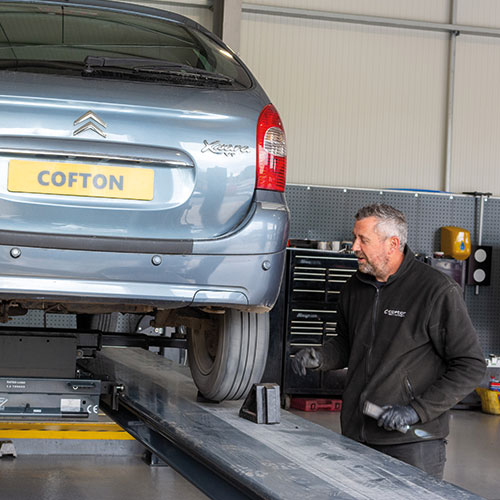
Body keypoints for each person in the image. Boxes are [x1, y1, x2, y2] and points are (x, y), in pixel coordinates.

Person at [291, 203, 486, 479]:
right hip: (356, 436)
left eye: (363, 240)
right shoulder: (353, 288)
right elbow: (346, 344)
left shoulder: (435, 291)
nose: (354, 247)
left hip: (411, 442)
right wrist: (320, 356)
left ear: (392, 244)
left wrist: (416, 411)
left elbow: (470, 365)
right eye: (354, 238)